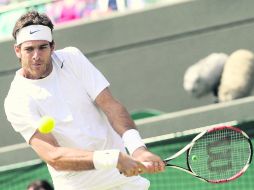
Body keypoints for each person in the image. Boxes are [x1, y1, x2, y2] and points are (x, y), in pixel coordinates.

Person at [4, 11, 165, 190]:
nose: (36, 56)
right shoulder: (16, 100)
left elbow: (110, 105)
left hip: (125, 181)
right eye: (29, 49)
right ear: (17, 50)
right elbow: (54, 156)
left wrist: (137, 148)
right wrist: (113, 159)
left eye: (42, 47)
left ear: (52, 46)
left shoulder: (72, 59)